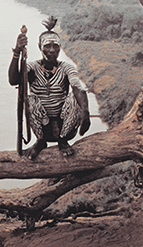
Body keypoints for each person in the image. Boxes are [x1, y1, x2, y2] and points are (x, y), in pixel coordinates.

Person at [9, 16, 90, 160]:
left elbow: (78, 88)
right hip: (42, 124)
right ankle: (40, 141)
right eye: (47, 46)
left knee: (74, 97)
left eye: (55, 46)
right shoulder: (32, 67)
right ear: (40, 48)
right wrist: (16, 52)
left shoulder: (66, 68)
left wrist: (85, 112)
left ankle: (63, 141)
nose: (52, 50)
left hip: (65, 123)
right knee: (31, 98)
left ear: (60, 48)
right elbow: (14, 80)